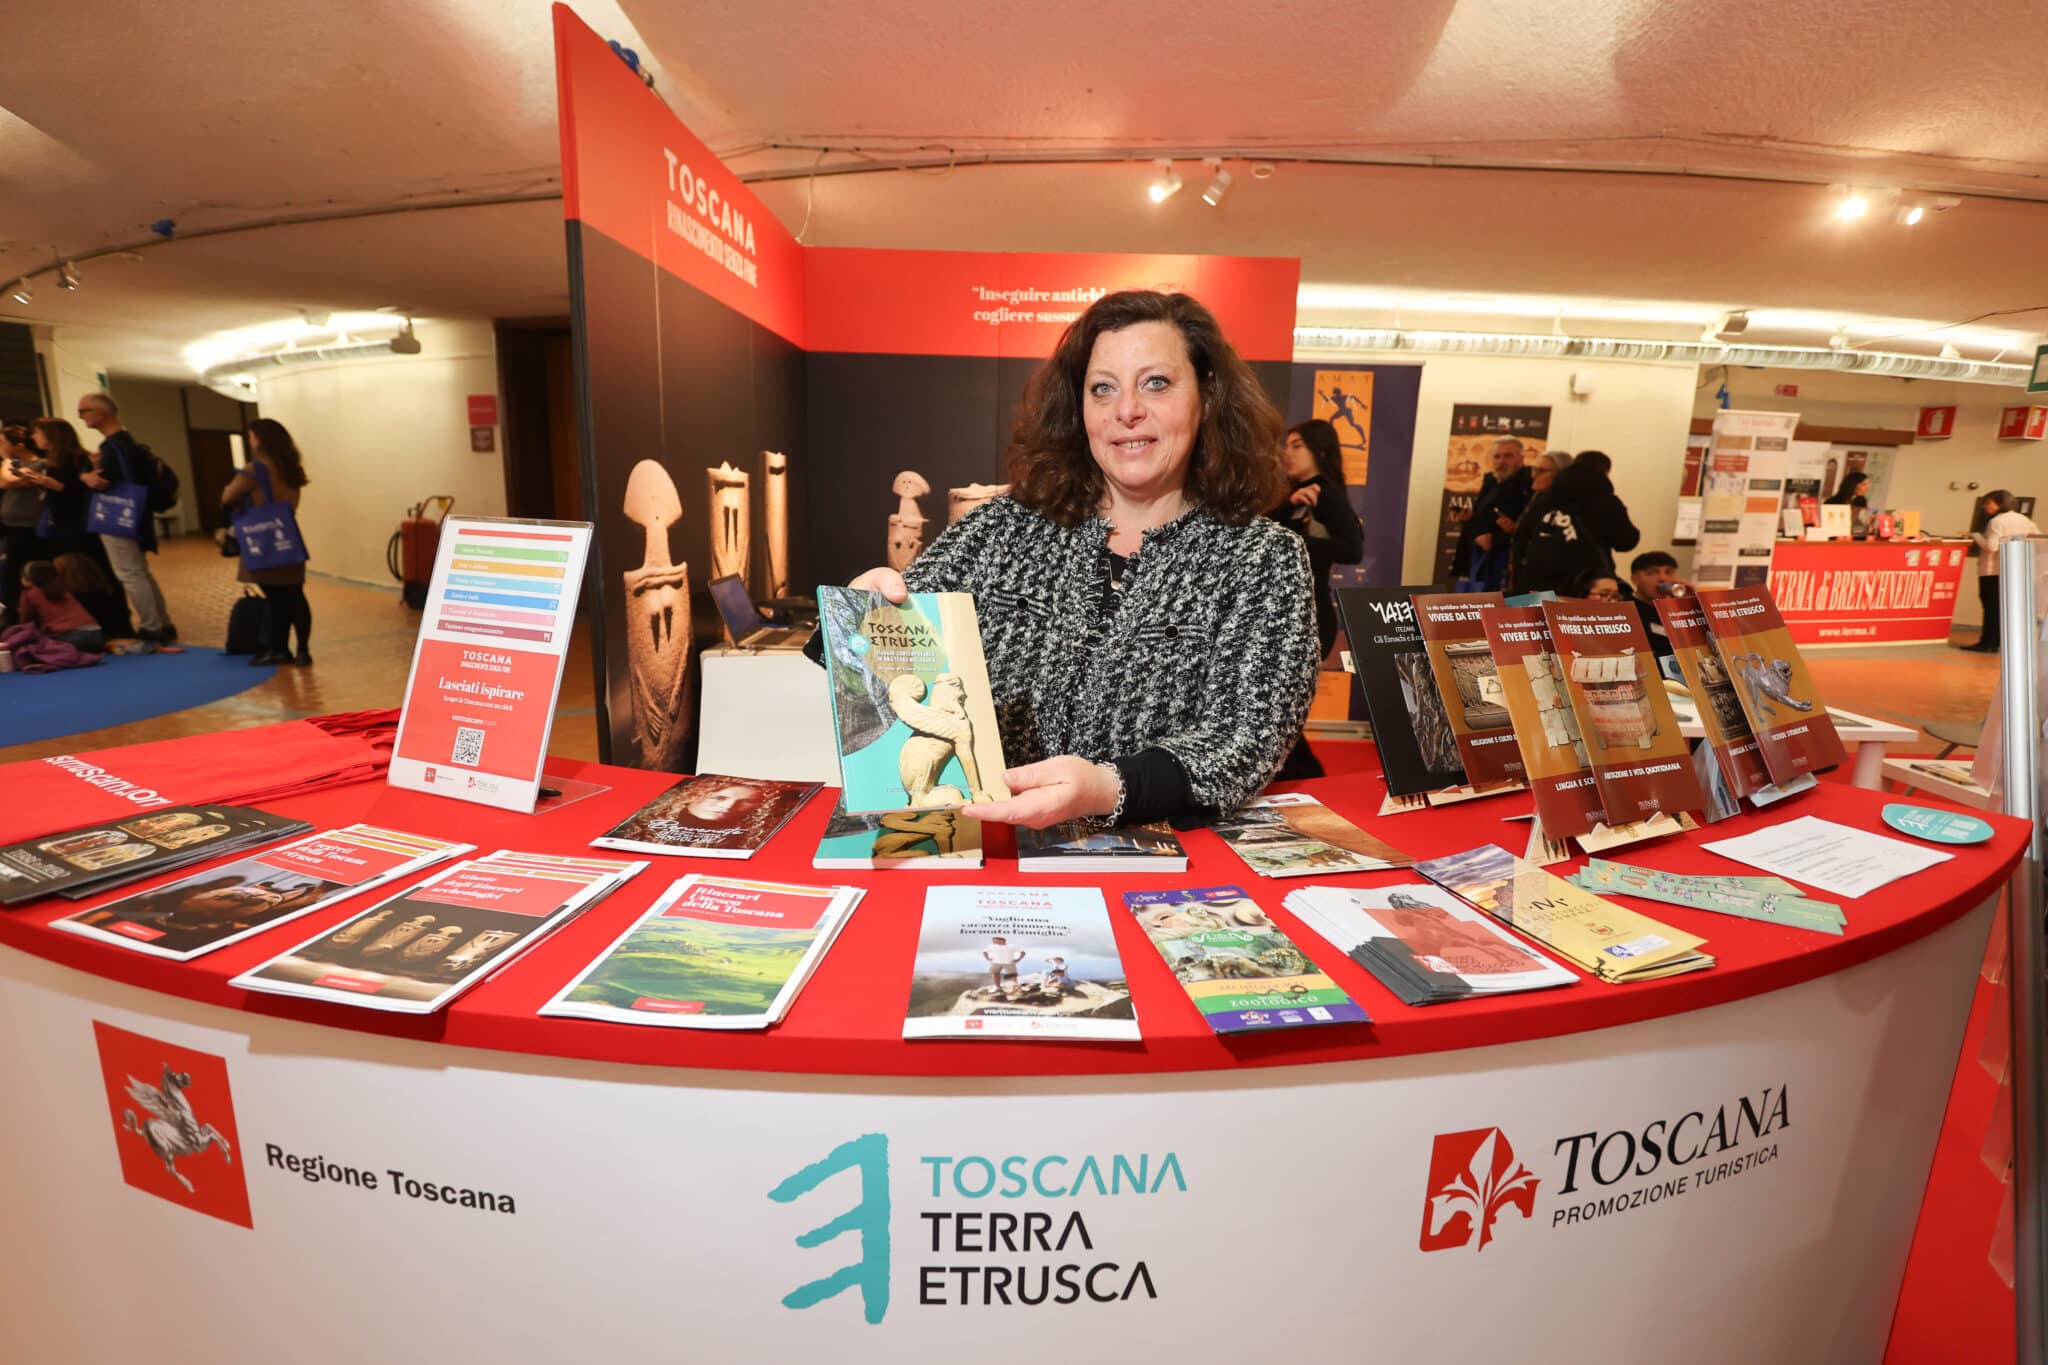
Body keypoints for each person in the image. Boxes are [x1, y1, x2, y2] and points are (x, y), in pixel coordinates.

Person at [835, 290, 1319, 830]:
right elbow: (877, 665)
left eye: (1156, 383)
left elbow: (1248, 736)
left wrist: (1110, 788)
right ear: (1078, 408)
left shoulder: (1262, 558)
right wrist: (861, 617)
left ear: (1207, 397)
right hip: (987, 840)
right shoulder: (1001, 527)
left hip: (1158, 853)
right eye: (1103, 388)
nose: (1126, 411)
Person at [75, 392, 176, 643]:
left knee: (130, 573)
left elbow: (101, 481)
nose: (81, 416)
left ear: (101, 413)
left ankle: (152, 627)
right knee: (140, 572)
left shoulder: (113, 446)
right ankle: (162, 623)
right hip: (135, 514)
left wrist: (85, 475)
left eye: (83, 411)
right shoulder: (126, 442)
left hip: (117, 516)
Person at [25, 418, 134, 637]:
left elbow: (82, 493)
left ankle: (113, 626)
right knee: (71, 579)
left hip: (80, 530)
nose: (33, 437)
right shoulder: (53, 462)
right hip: (63, 528)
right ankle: (84, 625)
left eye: (37, 432)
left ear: (52, 435)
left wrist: (53, 485)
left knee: (90, 576)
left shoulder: (78, 459)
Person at [219, 416, 312, 665]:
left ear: (259, 440)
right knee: (295, 597)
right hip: (288, 538)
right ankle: (303, 650)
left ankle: (279, 649)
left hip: (263, 540)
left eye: (251, 436)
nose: (250, 440)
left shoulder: (255, 470)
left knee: (277, 599)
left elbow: (227, 497)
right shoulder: (292, 469)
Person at [1269, 418, 1363, 659]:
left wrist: (1295, 544)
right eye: (1287, 445)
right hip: (1282, 615)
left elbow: (1352, 550)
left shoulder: (1325, 494)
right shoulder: (1294, 496)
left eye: (1297, 446)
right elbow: (1264, 536)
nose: (1287, 453)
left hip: (1309, 618)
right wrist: (1288, 505)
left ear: (1320, 450)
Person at [1507, 451, 1641, 594]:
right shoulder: (1607, 501)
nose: (1533, 475)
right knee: (1582, 611)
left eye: (1541, 470)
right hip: (1585, 584)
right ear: (1605, 472)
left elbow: (1521, 539)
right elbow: (1626, 542)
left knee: (1537, 610)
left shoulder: (1544, 499)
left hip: (1537, 584)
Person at [1454, 436, 1534, 591]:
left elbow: (1530, 527)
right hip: (1479, 561)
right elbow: (1480, 516)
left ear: (1521, 459)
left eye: (1508, 456)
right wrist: (1467, 519)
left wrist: (1497, 538)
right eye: (1497, 456)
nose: (1501, 461)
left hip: (1510, 564)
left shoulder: (1530, 484)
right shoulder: (1490, 481)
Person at [1965, 489, 2040, 653]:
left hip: (1993, 570)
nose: (1985, 506)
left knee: (1991, 607)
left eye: (1989, 503)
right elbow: (2037, 540)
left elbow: (1991, 547)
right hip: (2015, 569)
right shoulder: (2025, 520)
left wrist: (1975, 536)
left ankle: (1987, 643)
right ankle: (1998, 642)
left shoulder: (1997, 521)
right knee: (2004, 608)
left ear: (2000, 504)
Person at [0, 423, 46, 621]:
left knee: (23, 572)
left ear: (19, 445)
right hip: (11, 527)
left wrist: (7, 460)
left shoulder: (40, 464)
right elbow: (6, 480)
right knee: (10, 572)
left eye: (3, 442)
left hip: (29, 528)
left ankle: (26, 614)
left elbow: (7, 481)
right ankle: (14, 613)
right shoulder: (13, 463)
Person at [18, 560, 104, 651]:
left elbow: (25, 624)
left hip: (72, 637)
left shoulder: (29, 594)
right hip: (96, 633)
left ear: (29, 578)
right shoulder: (63, 590)